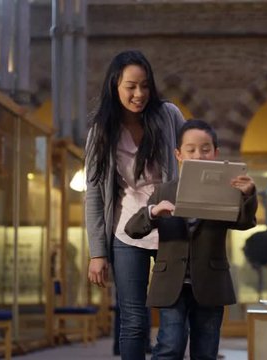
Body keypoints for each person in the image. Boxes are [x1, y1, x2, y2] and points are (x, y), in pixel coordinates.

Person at [125, 119, 258, 360]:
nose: (199, 154)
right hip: (171, 284)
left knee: (206, 351)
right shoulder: (163, 191)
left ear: (216, 153)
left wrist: (248, 196)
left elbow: (244, 222)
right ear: (179, 154)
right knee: (169, 346)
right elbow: (133, 230)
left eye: (206, 149)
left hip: (210, 282)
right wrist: (153, 212)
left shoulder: (227, 190)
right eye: (191, 149)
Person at [85, 49, 185, 360]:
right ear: (115, 85)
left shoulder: (169, 115)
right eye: (131, 86)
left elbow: (191, 158)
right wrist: (98, 252)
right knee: (132, 321)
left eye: (144, 86)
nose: (139, 94)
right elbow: (93, 193)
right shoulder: (101, 131)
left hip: (170, 226)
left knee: (174, 315)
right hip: (127, 231)